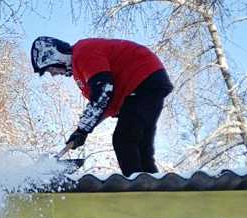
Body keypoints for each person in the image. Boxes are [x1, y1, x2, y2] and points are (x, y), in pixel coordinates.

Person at [30, 36, 173, 176]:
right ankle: (151, 184)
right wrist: (82, 132)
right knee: (140, 146)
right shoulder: (80, 68)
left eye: (50, 69)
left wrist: (83, 128)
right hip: (146, 83)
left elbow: (104, 91)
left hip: (141, 79)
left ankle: (138, 187)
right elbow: (106, 104)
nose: (53, 74)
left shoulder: (82, 53)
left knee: (124, 139)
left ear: (56, 56)